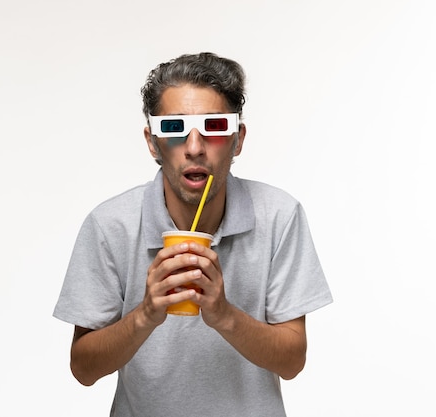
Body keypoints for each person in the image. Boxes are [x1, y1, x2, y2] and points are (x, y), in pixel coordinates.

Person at [53, 52, 333, 417]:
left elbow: (293, 360)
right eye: (174, 128)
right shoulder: (111, 225)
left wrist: (223, 314)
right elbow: (83, 369)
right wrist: (145, 314)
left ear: (238, 139)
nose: (195, 147)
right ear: (153, 142)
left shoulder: (279, 216)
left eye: (215, 127)